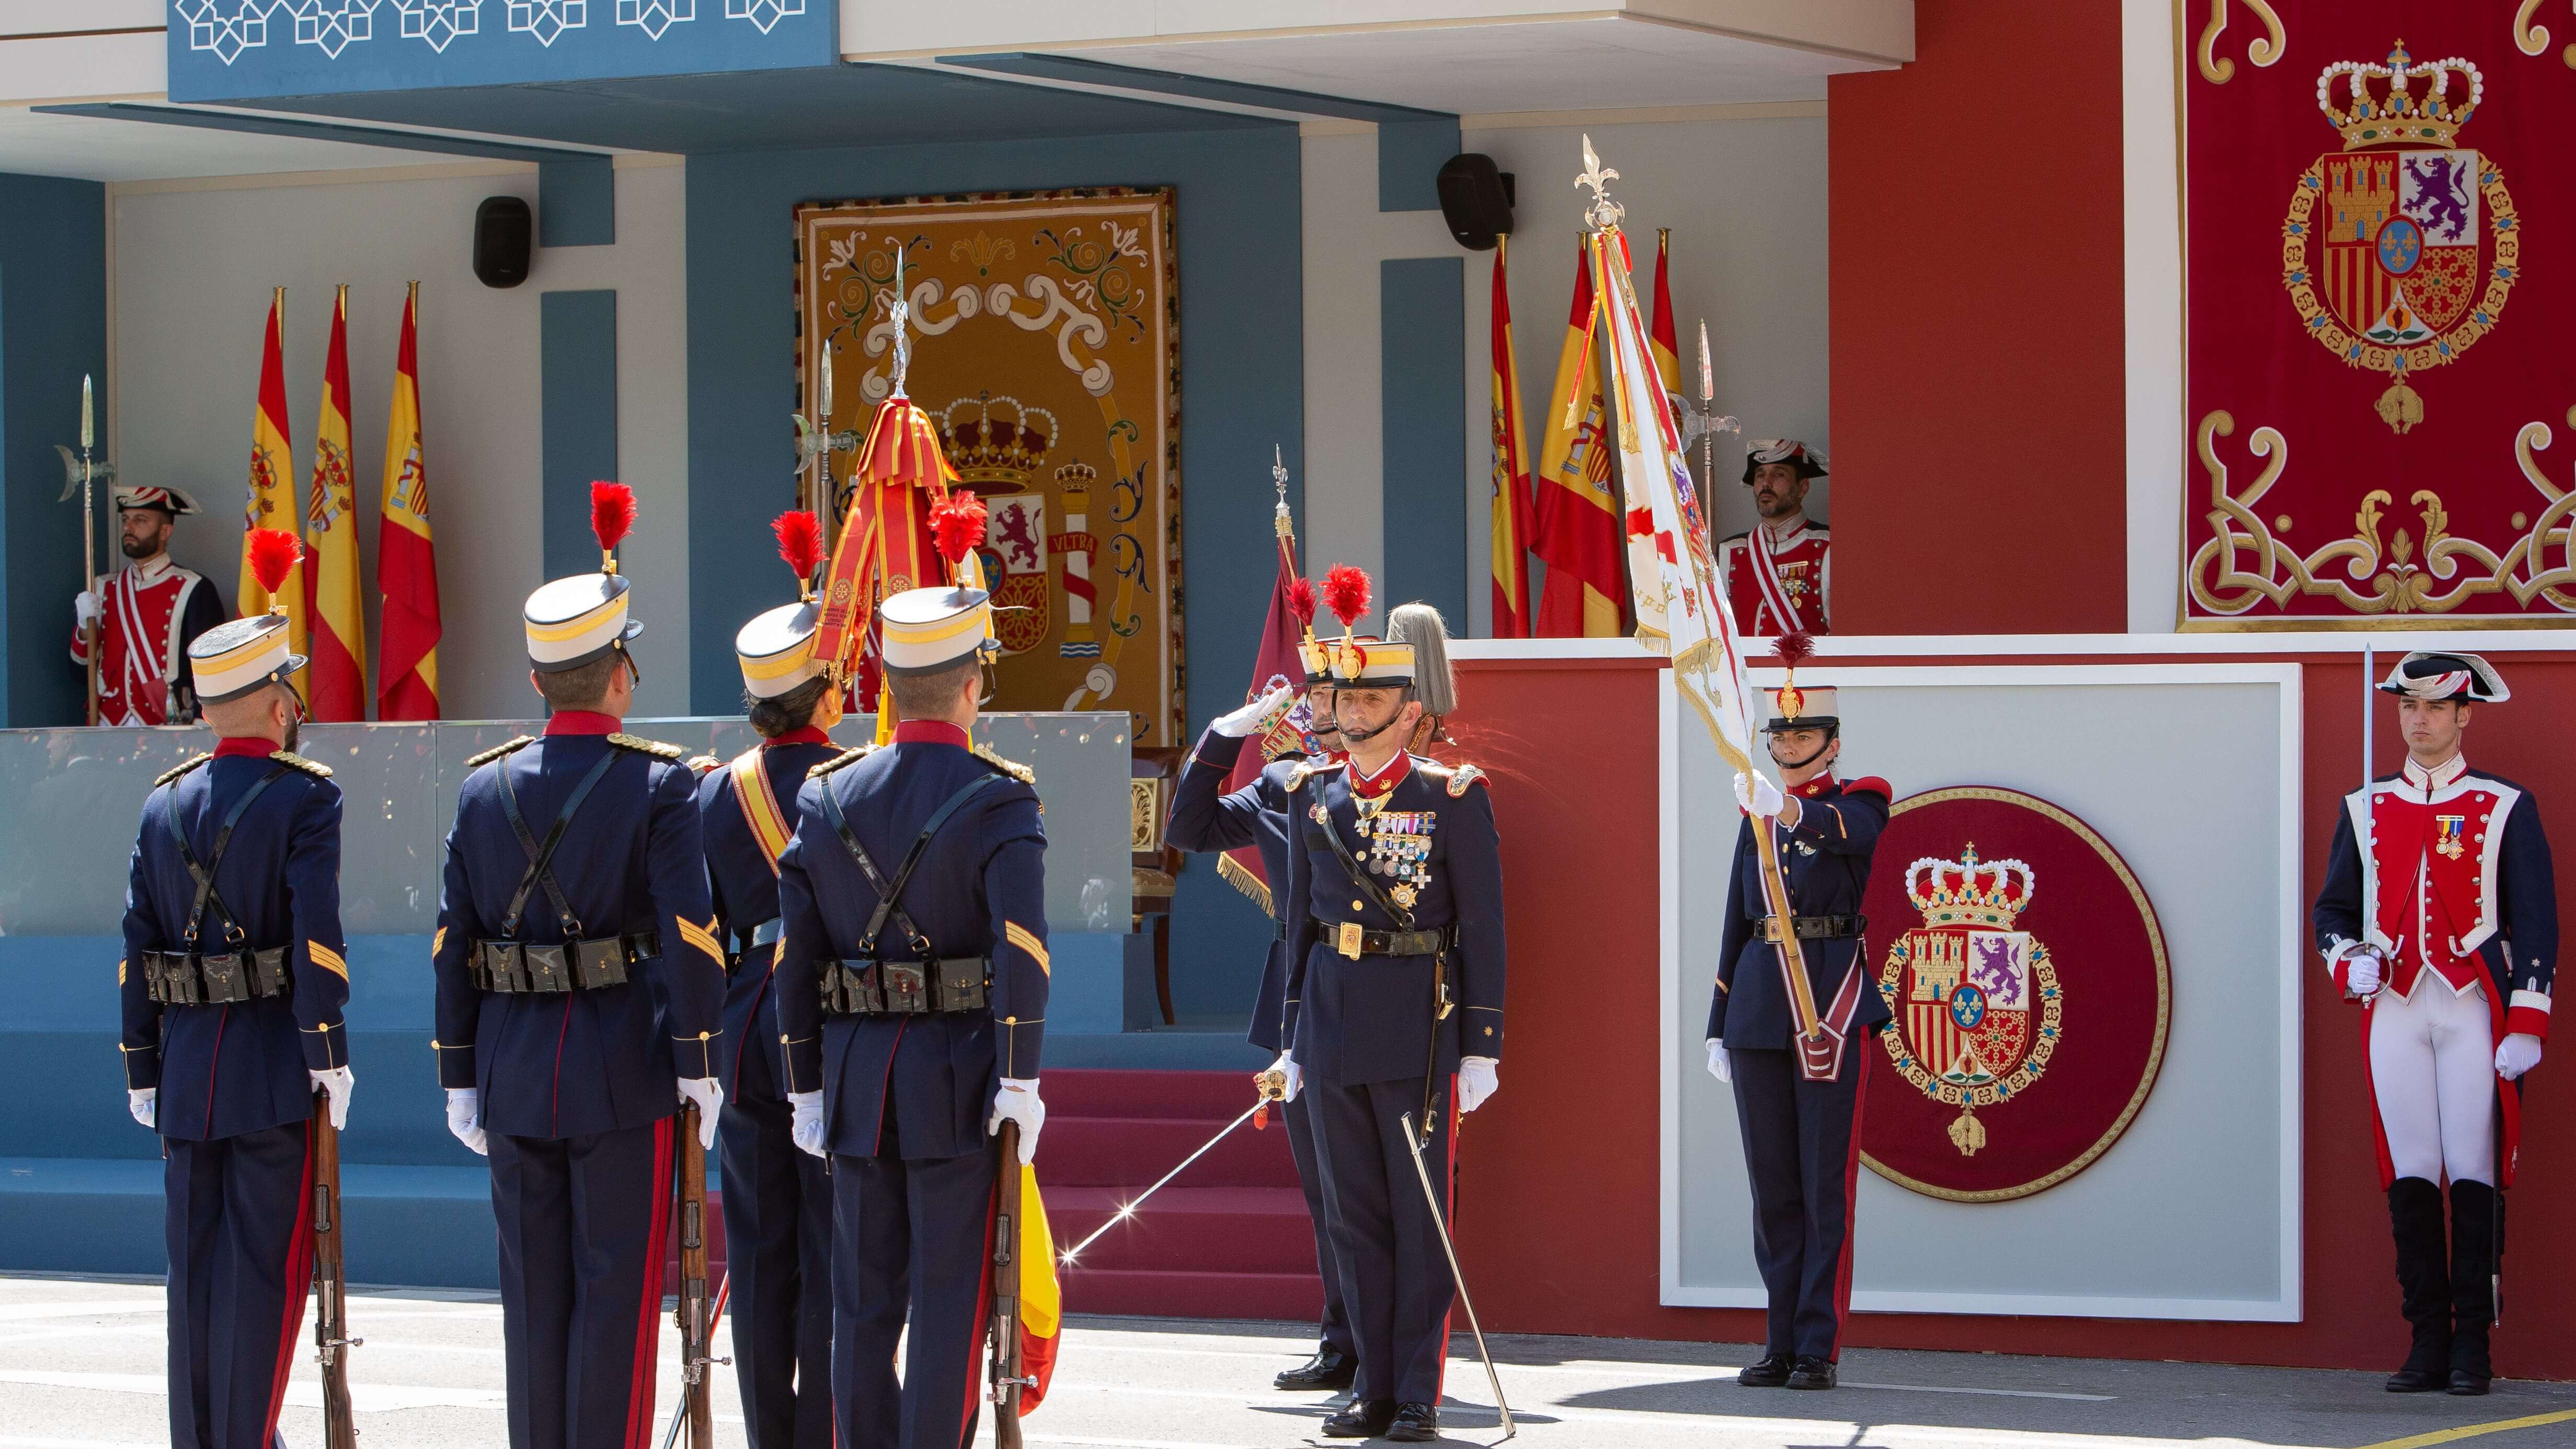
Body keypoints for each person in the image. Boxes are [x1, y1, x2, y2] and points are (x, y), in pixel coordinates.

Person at [430, 488, 728, 1449]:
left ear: (535, 677)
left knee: (534, 1307)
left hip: (514, 1070)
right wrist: (697, 1059)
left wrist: (458, 1074)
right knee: (615, 1305)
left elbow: (455, 940)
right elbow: (689, 935)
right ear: (621, 675)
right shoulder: (659, 784)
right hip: (619, 1068)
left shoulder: (484, 787)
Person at [771, 540, 1050, 1449]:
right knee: (945, 1302)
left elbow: (796, 959)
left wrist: (805, 1085)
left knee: (860, 1302)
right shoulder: (1000, 798)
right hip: (957, 1077)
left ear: (887, 688)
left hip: (854, 1078)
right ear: (972, 686)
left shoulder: (824, 795)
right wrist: (1020, 1076)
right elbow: (1022, 953)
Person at [119, 578, 352, 1448]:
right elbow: (315, 939)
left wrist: (142, 1062)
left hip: (186, 1073)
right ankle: (246, 1436)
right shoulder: (306, 795)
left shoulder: (162, 801)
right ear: (268, 701)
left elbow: (136, 940)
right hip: (267, 1069)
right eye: (287, 683)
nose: (295, 697)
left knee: (196, 1279)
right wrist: (326, 1047)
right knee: (260, 1277)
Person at [1278, 589, 1505, 1444]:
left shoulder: (1453, 794)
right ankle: (1370, 1385)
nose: (1355, 713)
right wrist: (1293, 1036)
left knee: (1417, 1219)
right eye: (1343, 699)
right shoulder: (1311, 795)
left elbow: (1482, 926)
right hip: (1332, 1026)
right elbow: (1297, 925)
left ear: (1409, 710)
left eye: (1371, 699)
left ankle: (1414, 1392)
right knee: (1353, 1218)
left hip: (1418, 1027)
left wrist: (1481, 1044)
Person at [2314, 651, 2552, 1398]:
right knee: (2410, 1167)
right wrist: (2344, 955)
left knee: (2472, 1167)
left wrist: (2526, 1020)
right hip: (2393, 1005)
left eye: (2432, 707)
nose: (2417, 719)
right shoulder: (2363, 803)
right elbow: (2332, 909)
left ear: (2462, 714)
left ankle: (2471, 1344)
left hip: (2472, 1007)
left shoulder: (2503, 804)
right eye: (2405, 706)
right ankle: (2424, 1336)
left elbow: (2536, 918)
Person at [1164, 612, 1357, 1392]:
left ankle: (1384, 1343)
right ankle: (1341, 1339)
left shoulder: (1405, 779)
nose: (1321, 707)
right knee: (1321, 1180)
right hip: (1296, 989)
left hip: (1366, 982)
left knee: (1365, 1182)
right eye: (1314, 694)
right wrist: (1222, 735)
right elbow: (1188, 826)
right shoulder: (1283, 779)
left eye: (1335, 693)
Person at [690, 514, 842, 1449]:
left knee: (755, 1250)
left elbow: (700, 922)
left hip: (745, 1028)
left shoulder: (713, 789)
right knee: (832, 1248)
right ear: (824, 692)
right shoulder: (856, 778)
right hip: (831, 1024)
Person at [1704, 657, 1890, 1391]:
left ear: (1831, 740)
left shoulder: (1859, 797)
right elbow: (1733, 918)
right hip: (1758, 1001)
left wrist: (1786, 808)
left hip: (1827, 1001)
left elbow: (1852, 832)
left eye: (1803, 732)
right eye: (1778, 734)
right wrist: (1718, 1018)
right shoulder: (1754, 811)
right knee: (1772, 1185)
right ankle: (1779, 1338)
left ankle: (1818, 1343)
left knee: (1822, 1183)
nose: (1787, 745)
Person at [71, 484, 226, 724]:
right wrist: (83, 628)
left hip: (167, 726)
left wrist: (201, 728)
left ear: (165, 532)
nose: (128, 528)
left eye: (140, 520)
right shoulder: (103, 588)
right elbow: (81, 673)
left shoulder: (194, 588)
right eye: (126, 519)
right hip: (107, 725)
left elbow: (212, 670)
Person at [1716, 440, 1829, 638]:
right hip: (1748, 670)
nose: (1766, 483)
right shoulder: (1728, 551)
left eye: (1779, 474)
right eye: (1760, 475)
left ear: (1803, 487)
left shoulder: (1827, 546)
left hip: (1808, 670)